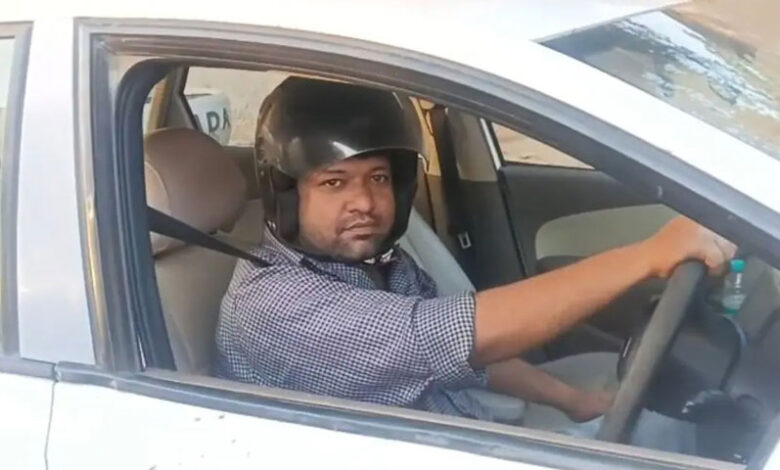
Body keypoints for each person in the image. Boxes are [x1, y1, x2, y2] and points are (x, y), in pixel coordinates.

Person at [214, 77, 736, 450]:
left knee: (661, 421)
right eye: (334, 182)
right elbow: (454, 337)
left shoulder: (374, 264)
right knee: (666, 436)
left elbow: (466, 359)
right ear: (287, 192)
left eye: (378, 178)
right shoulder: (274, 302)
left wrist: (571, 399)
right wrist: (648, 256)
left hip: (455, 429)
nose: (366, 203)